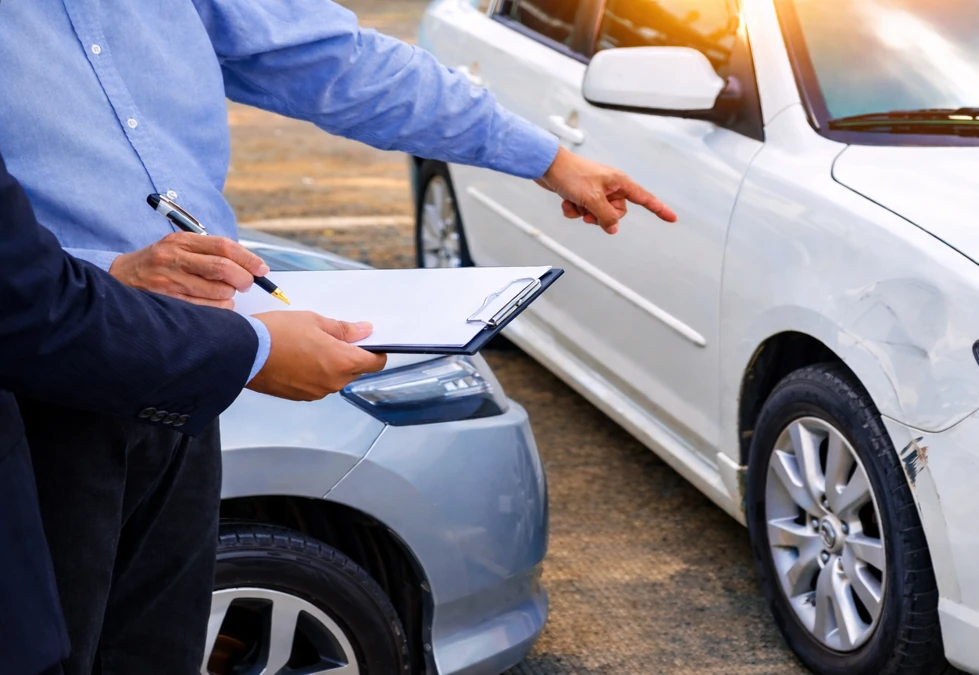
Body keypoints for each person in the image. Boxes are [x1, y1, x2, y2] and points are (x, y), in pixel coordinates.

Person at [1, 1, 677, 672]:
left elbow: (337, 61)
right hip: (40, 399)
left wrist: (548, 158)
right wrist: (109, 274)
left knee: (157, 650)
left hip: (190, 376)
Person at [0, 151, 388, 675]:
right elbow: (27, 301)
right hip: (63, 391)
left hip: (172, 372)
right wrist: (255, 351)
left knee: (156, 643)